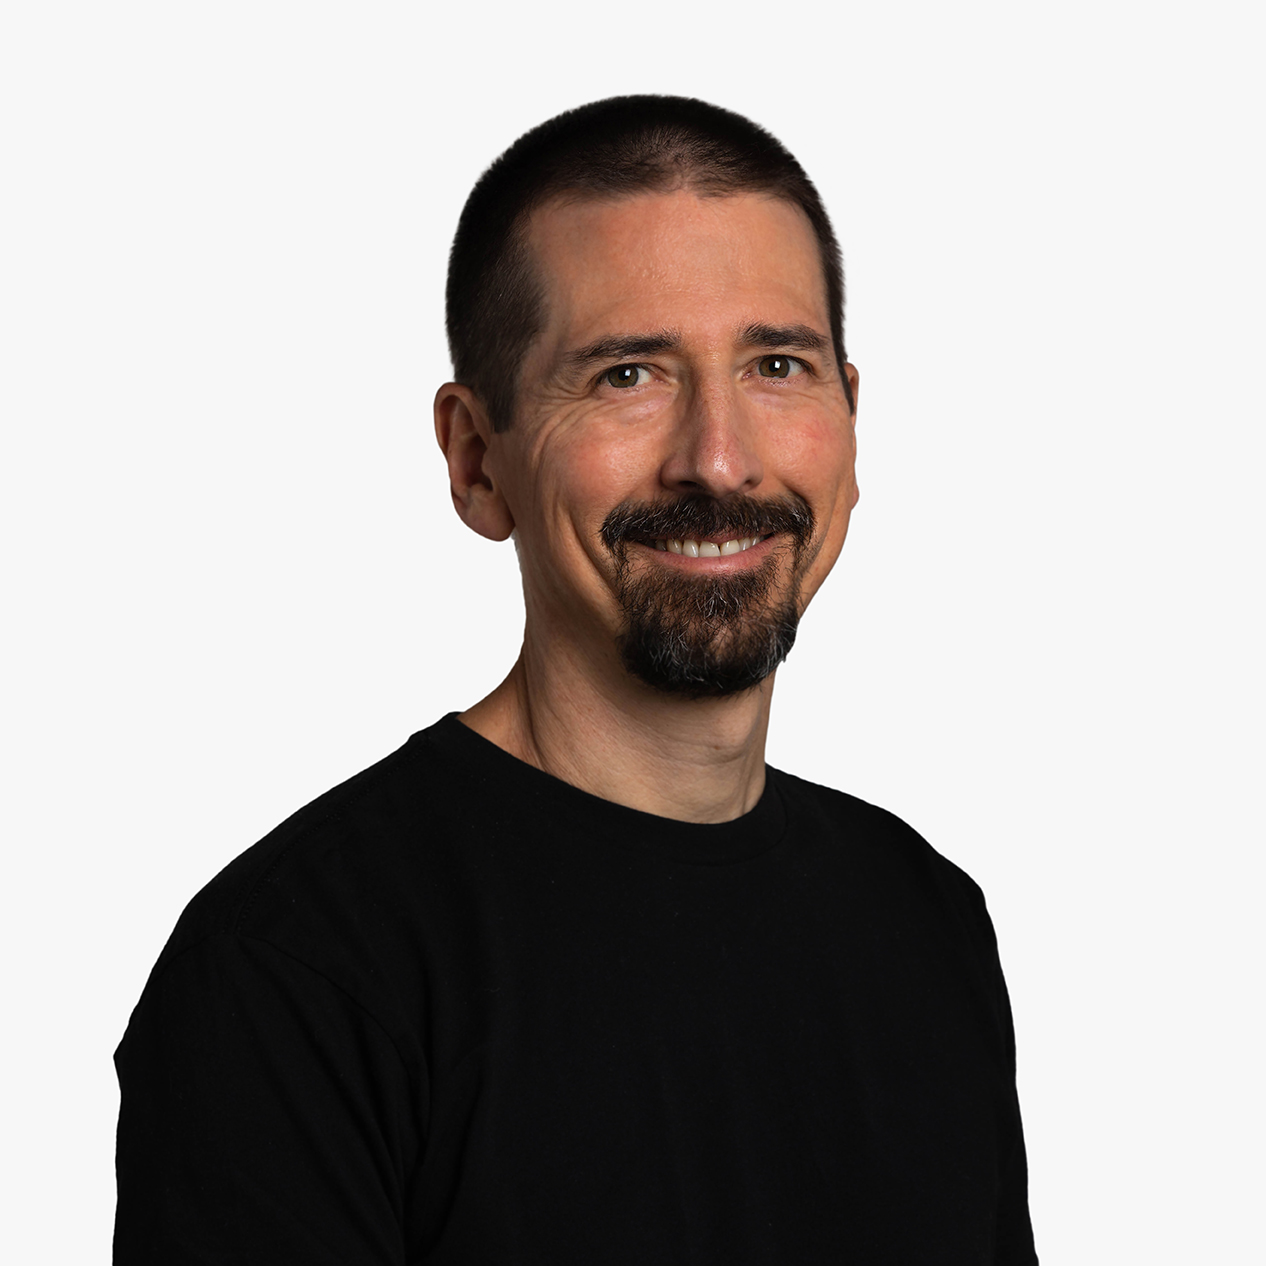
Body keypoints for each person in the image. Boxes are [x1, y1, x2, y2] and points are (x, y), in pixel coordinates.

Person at [114, 95, 1038, 1264]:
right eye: (626, 376)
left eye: (777, 364)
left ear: (851, 420)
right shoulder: (296, 976)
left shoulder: (926, 920)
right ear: (475, 458)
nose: (719, 456)